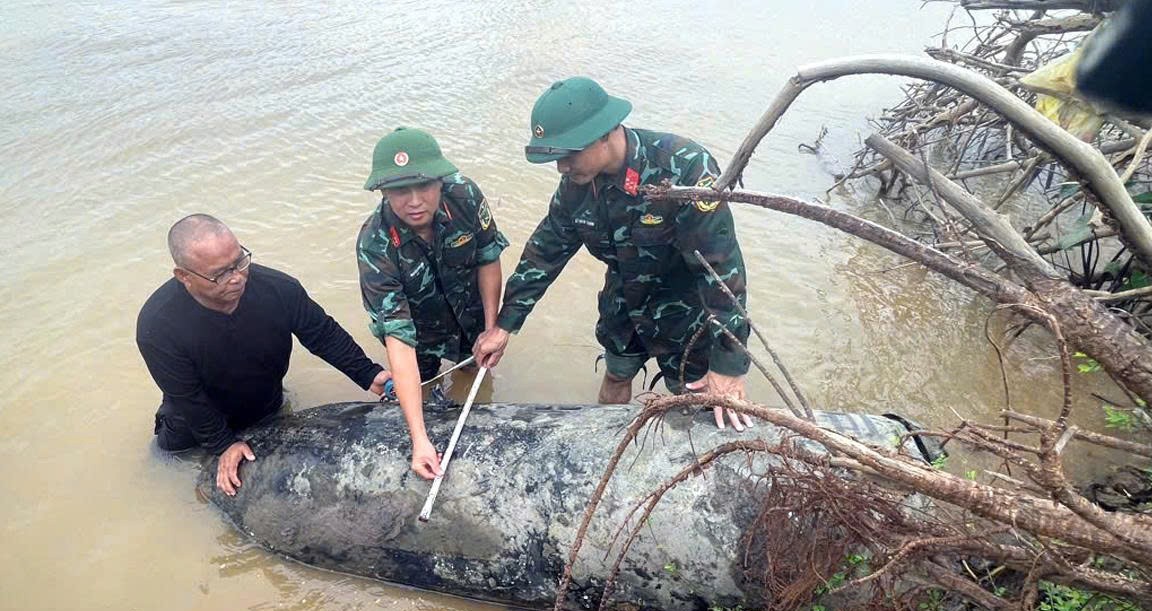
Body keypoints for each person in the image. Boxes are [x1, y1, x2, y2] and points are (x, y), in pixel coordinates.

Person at [473, 77, 753, 430]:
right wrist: (504, 325)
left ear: (605, 133)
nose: (561, 168)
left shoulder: (685, 167)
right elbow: (545, 253)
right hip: (624, 303)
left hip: (688, 314)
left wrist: (728, 362)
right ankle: (610, 442)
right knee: (616, 377)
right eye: (555, 158)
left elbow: (721, 271)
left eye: (568, 155)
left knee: (694, 401)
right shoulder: (577, 186)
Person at [137, 214, 389, 496]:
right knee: (183, 487)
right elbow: (187, 397)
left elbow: (322, 334)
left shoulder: (278, 289)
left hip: (265, 407)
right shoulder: (157, 326)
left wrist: (369, 374)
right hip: (192, 430)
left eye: (239, 262)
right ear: (184, 276)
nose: (236, 278)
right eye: (220, 274)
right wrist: (223, 445)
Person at [357, 127, 509, 478]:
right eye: (399, 190)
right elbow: (398, 337)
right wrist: (419, 440)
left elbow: (488, 257)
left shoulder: (465, 195)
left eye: (424, 186)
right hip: (418, 331)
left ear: (441, 181)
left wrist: (491, 328)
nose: (414, 201)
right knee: (421, 386)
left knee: (475, 370)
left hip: (469, 315)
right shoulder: (374, 243)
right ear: (382, 191)